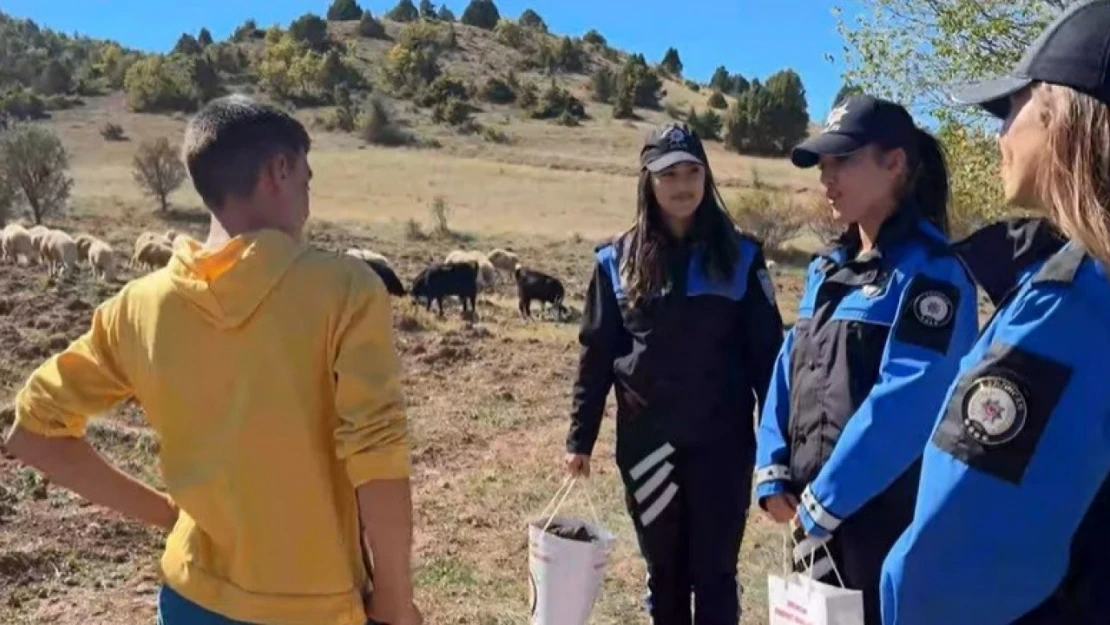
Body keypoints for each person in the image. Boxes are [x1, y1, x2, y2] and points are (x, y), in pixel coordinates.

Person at [2, 95, 422, 625]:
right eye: (305, 182)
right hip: (314, 606)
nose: (307, 203)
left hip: (189, 598)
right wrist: (395, 602)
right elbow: (377, 459)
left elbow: (33, 432)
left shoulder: (137, 306)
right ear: (279, 170)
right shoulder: (347, 290)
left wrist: (166, 514)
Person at [881, 2, 1110, 623]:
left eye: (1010, 107)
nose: (998, 133)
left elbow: (950, 562)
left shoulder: (1071, 308)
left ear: (1059, 114)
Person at [753, 94, 980, 625]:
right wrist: (773, 468)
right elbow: (788, 364)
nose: (828, 178)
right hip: (814, 517)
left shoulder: (933, 273)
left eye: (844, 161)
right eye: (824, 165)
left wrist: (826, 502)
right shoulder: (827, 270)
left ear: (894, 163)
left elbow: (911, 397)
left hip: (887, 519)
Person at [564, 121, 784, 625]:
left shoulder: (742, 258)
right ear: (647, 181)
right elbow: (596, 355)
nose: (681, 185)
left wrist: (780, 449)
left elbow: (768, 360)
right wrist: (580, 439)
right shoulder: (614, 261)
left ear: (707, 178)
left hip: (723, 446)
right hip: (648, 448)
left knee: (716, 573)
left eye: (691, 171)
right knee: (664, 574)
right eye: (667, 174)